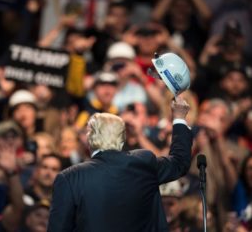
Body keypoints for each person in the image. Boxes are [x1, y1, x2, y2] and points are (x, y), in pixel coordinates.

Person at [48, 96, 193, 231]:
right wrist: (179, 118)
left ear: (89, 138)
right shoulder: (143, 163)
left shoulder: (69, 178)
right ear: (122, 139)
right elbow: (180, 162)